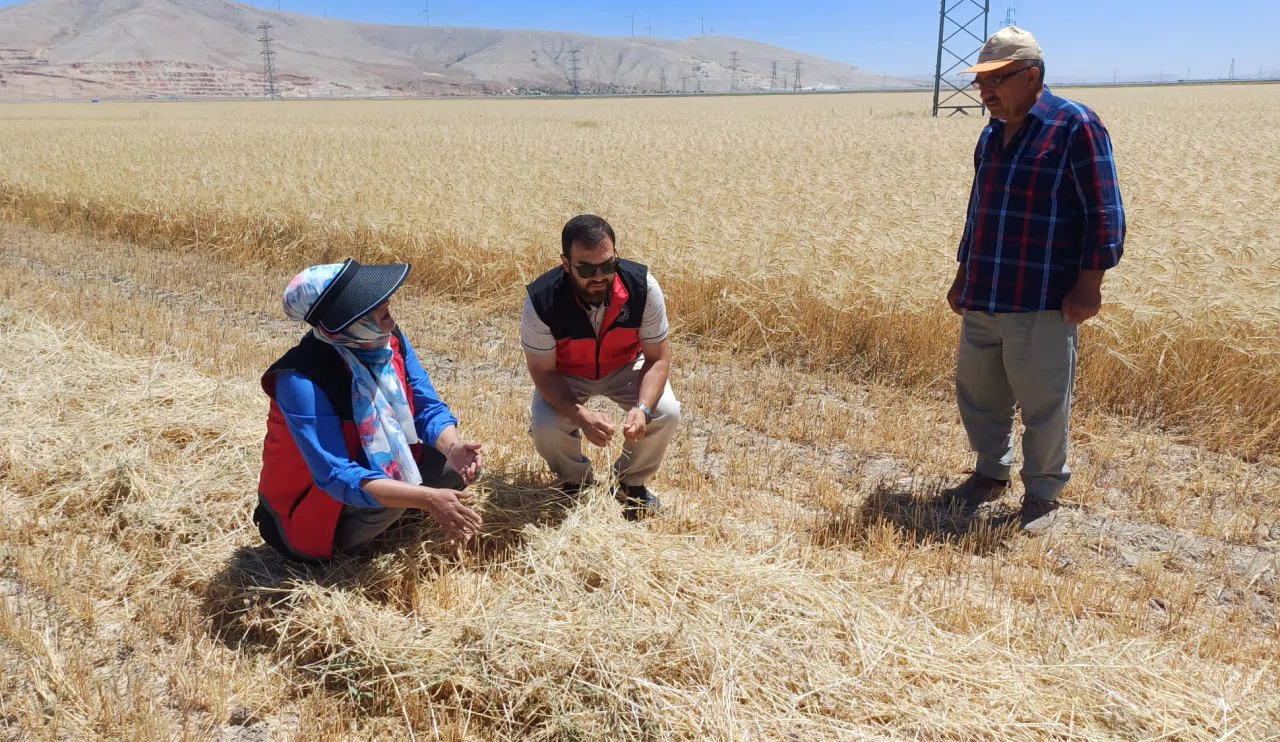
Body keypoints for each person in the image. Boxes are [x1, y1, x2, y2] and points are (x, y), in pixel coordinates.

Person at [943, 26, 1126, 533]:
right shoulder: (990, 134)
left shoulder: (1075, 126)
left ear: (1034, 76)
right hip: (985, 290)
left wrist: (1090, 285)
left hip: (1042, 297)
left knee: (1045, 404)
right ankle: (989, 474)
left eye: (998, 79)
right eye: (982, 82)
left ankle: (1043, 495)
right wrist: (963, 276)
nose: (986, 92)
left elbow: (1105, 213)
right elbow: (978, 212)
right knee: (979, 394)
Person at [254, 258, 484, 561]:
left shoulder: (388, 340)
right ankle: (348, 548)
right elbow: (337, 476)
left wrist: (452, 447)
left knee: (454, 465)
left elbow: (426, 408)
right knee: (397, 496)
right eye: (370, 302)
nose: (387, 301)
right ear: (346, 321)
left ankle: (397, 511)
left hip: (372, 471)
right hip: (310, 514)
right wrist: (426, 497)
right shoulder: (301, 380)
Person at [521, 214, 682, 520]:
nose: (599, 276)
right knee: (546, 425)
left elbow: (658, 358)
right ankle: (575, 484)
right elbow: (543, 373)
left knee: (667, 411)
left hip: (625, 365)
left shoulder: (643, 287)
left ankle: (628, 484)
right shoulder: (541, 301)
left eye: (608, 265)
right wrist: (581, 415)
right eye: (586, 268)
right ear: (566, 264)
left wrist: (643, 409)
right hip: (566, 374)